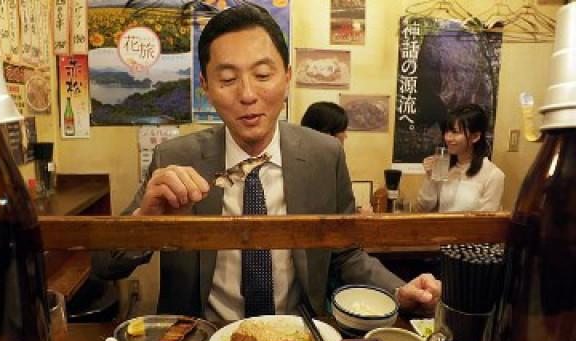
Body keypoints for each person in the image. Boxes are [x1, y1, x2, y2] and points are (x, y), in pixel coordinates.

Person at [93, 3, 440, 321]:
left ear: (287, 78)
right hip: (202, 339)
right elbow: (104, 265)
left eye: (262, 75)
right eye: (228, 79)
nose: (247, 94)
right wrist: (145, 225)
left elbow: (346, 253)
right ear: (206, 87)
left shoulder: (324, 156)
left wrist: (398, 290)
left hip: (298, 339)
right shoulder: (175, 159)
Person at [417, 104, 505, 212]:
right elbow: (425, 207)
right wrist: (430, 176)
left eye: (455, 132)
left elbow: (485, 222)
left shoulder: (493, 175)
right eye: (447, 131)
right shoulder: (444, 166)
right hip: (441, 228)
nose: (448, 138)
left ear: (475, 136)